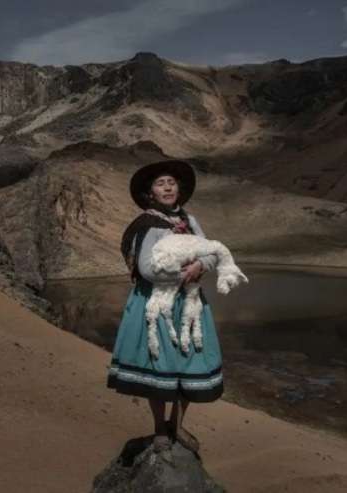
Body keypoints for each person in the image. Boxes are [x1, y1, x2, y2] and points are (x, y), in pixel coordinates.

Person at [108, 159, 223, 453]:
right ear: (151, 193)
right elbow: (146, 268)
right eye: (161, 183)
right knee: (159, 365)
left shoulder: (190, 221)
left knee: (188, 359)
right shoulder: (147, 226)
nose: (168, 186)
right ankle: (160, 428)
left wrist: (199, 265)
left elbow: (211, 252)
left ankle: (177, 424)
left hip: (188, 301)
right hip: (158, 303)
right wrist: (182, 273)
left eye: (171, 182)